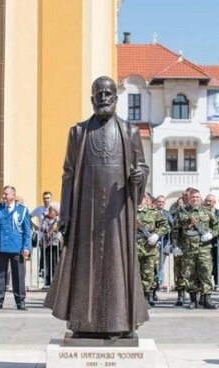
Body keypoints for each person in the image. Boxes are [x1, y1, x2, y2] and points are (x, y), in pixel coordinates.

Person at [44, 76, 149, 339]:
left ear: (116, 98)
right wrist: (66, 213)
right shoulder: (78, 133)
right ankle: (83, 322)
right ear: (92, 99)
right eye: (98, 94)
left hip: (117, 214)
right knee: (84, 266)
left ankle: (120, 322)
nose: (103, 98)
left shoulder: (129, 132)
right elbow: (68, 174)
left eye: (108, 94)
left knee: (117, 265)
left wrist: (139, 178)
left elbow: (142, 167)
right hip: (85, 212)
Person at [173, 189, 219, 309]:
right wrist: (175, 246)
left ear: (200, 199)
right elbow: (175, 231)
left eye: (197, 197)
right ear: (188, 199)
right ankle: (193, 300)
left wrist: (211, 234)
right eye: (192, 197)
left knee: (205, 273)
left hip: (204, 249)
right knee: (190, 274)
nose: (195, 199)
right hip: (188, 249)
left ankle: (207, 299)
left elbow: (218, 225)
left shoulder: (207, 212)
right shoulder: (182, 213)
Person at [0, 185, 31, 310]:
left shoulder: (22, 210)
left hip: (17, 248)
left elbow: (27, 231)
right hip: (1, 248)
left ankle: (20, 300)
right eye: (3, 194)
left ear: (13, 196)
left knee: (18, 275)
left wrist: (26, 247)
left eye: (6, 194)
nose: (4, 196)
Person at [136, 195, 169, 307]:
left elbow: (165, 226)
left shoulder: (153, 212)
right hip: (132, 250)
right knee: (133, 274)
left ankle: (145, 298)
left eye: (141, 198)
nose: (139, 200)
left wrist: (156, 235)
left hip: (148, 250)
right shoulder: (128, 212)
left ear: (146, 200)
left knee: (148, 275)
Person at [38, 203, 63, 289]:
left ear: (55, 212)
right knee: (47, 263)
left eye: (51, 210)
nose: (49, 212)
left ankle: (55, 282)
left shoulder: (59, 220)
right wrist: (46, 230)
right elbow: (42, 228)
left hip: (55, 243)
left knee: (54, 262)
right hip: (47, 243)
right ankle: (47, 282)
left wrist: (53, 230)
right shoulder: (46, 219)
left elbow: (60, 228)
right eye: (49, 210)